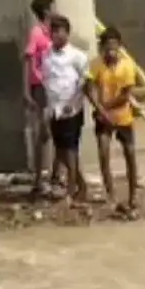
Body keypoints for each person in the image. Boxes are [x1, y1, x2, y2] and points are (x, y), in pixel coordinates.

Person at [87, 26, 139, 213]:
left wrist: (104, 108)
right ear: (102, 47)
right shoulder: (96, 64)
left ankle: (133, 195)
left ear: (119, 46)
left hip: (123, 116)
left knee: (130, 154)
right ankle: (112, 195)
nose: (111, 50)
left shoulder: (127, 65)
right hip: (103, 117)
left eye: (114, 46)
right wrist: (100, 110)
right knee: (103, 153)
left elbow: (126, 95)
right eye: (108, 46)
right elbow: (89, 88)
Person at [41, 15, 90, 203]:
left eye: (58, 31)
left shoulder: (77, 56)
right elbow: (47, 81)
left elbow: (84, 82)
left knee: (70, 149)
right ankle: (81, 184)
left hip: (71, 108)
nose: (55, 35)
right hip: (54, 109)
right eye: (52, 31)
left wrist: (74, 101)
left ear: (67, 33)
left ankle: (71, 188)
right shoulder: (47, 55)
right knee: (61, 150)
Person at [24, 0, 55, 197]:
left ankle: (54, 175)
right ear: (46, 11)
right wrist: (26, 91)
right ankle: (38, 178)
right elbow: (27, 59)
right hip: (41, 86)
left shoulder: (53, 32)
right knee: (42, 133)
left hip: (55, 86)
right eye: (53, 7)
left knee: (55, 131)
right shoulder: (36, 33)